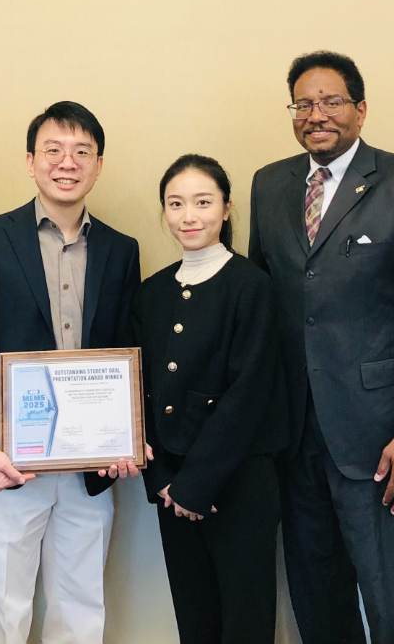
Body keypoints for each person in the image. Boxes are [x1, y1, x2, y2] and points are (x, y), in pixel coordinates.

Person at [247, 50, 394, 643]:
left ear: (361, 110)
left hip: (384, 440)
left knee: (393, 606)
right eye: (304, 103)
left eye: (331, 101)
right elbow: (262, 302)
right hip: (295, 437)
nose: (316, 114)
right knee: (317, 603)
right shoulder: (269, 184)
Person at [0, 101, 142, 644]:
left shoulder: (121, 249)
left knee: (81, 608)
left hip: (90, 466)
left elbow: (128, 354)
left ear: (98, 165)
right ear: (30, 161)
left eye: (82, 151)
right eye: (53, 150)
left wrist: (128, 437)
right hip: (10, 464)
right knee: (5, 610)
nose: (67, 162)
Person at [133, 154, 288, 644]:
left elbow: (249, 394)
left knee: (246, 622)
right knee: (194, 621)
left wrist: (196, 487)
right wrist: (162, 478)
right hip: (170, 485)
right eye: (176, 204)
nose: (189, 216)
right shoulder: (152, 292)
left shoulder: (252, 285)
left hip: (239, 482)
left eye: (203, 202)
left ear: (226, 208)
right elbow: (141, 390)